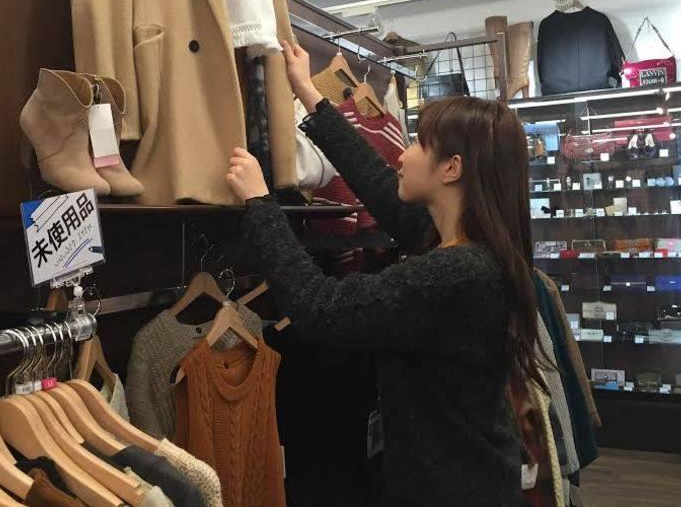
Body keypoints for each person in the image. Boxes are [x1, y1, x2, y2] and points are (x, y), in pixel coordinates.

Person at [226, 40, 538, 507]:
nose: (402, 156)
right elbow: (377, 183)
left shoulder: (457, 272)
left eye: (418, 144)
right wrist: (309, 94)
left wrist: (259, 203)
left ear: (451, 168)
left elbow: (320, 309)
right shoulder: (469, 248)